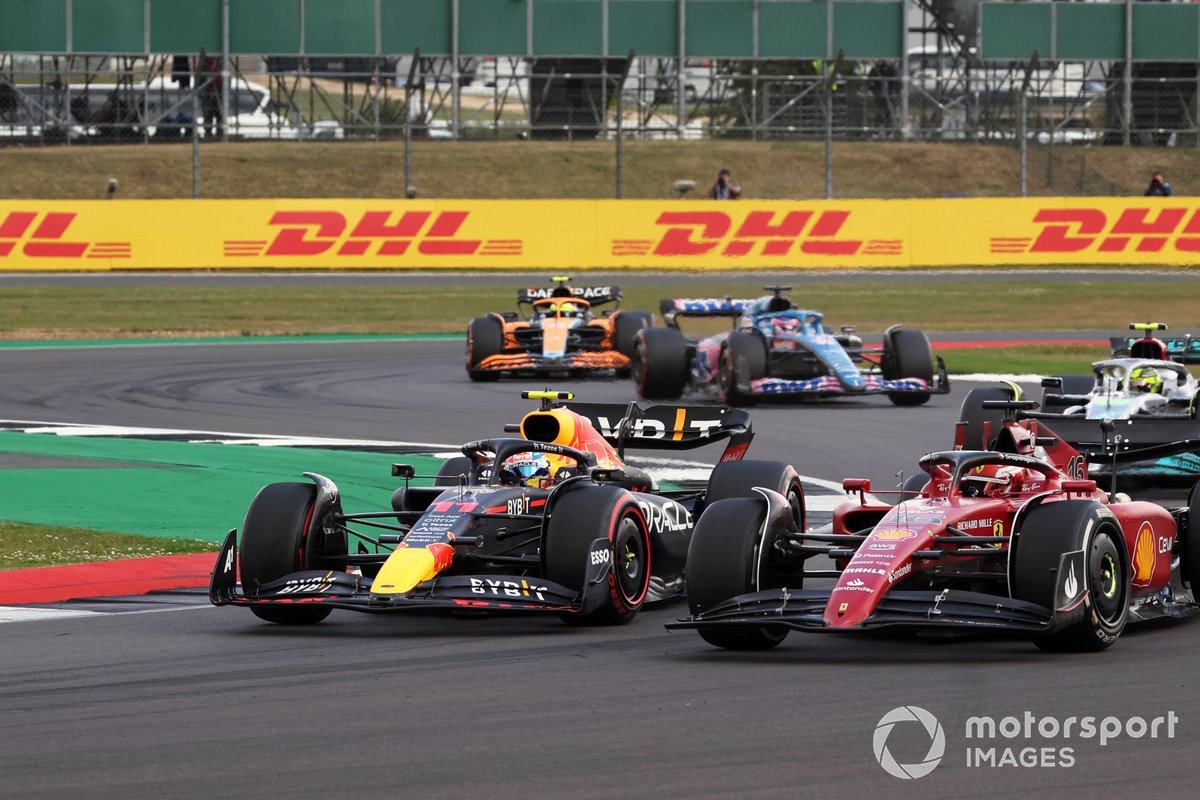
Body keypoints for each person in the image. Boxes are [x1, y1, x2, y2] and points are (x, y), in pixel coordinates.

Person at [198, 47, 223, 137]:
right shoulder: (204, 64)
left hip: (219, 92)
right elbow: (200, 80)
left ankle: (220, 130)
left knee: (219, 112)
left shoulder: (221, 64)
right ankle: (208, 130)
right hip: (207, 92)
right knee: (207, 111)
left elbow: (224, 81)